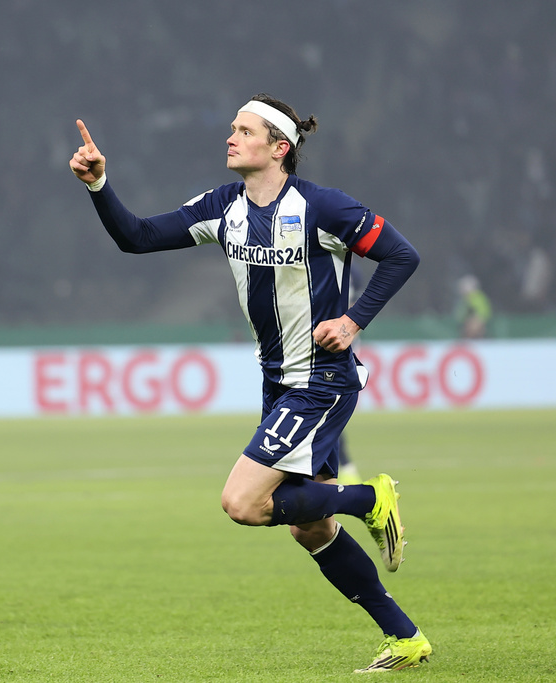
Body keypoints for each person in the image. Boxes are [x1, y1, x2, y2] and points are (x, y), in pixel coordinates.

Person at [70, 93, 429, 673]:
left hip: (320, 380)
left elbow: (401, 255)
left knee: (242, 502)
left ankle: (370, 497)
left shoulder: (324, 208)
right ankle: (406, 637)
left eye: (244, 130)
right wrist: (99, 185)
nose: (230, 137)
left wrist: (353, 319)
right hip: (278, 383)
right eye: (231, 128)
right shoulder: (222, 208)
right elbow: (135, 237)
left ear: (278, 148)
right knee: (310, 528)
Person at [455, 274, 492, 339]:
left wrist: (476, 320)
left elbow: (483, 313)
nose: (462, 290)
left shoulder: (477, 297)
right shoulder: (466, 300)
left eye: (464, 287)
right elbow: (461, 315)